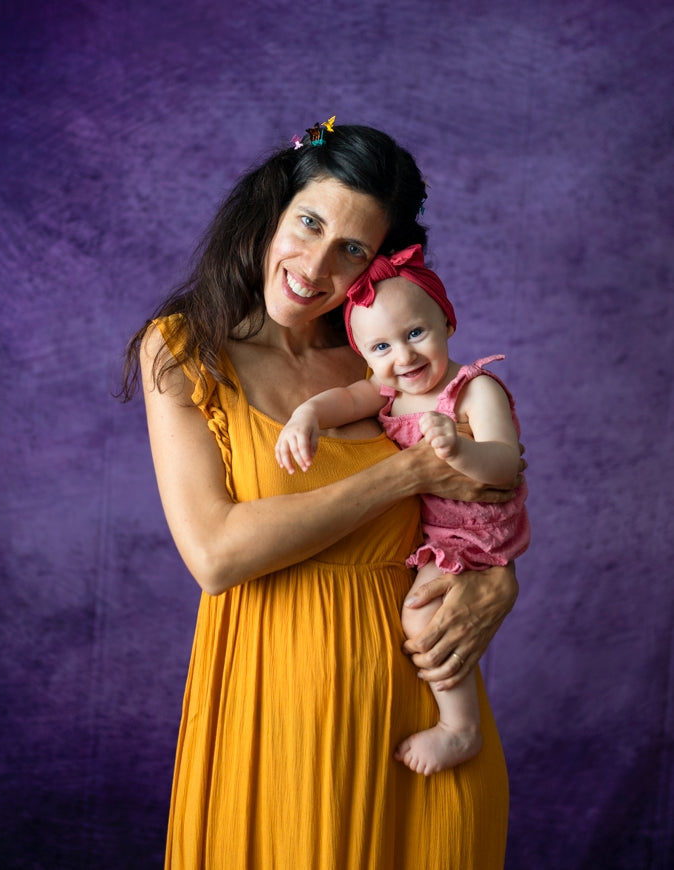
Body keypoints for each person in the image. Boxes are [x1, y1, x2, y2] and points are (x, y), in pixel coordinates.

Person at [121, 121, 522, 869]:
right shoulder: (184, 351)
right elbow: (214, 554)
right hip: (274, 711)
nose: (315, 265)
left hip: (422, 722)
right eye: (309, 222)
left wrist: (500, 579)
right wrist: (404, 474)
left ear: (381, 265)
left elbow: (484, 494)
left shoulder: (387, 360)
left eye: (353, 249)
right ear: (272, 211)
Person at [275, 243, 529, 776]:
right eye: (382, 347)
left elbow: (505, 465)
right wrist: (306, 416)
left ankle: (460, 728)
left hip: (473, 532)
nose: (405, 358)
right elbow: (344, 400)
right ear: (365, 356)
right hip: (437, 529)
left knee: (421, 613)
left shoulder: (473, 389)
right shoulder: (388, 388)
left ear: (447, 322)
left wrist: (459, 450)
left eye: (416, 334)